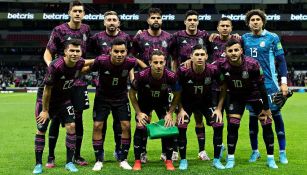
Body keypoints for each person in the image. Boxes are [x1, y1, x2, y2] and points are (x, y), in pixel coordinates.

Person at [32, 39, 93, 174]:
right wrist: (45, 110)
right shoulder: (55, 66)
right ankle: (38, 164)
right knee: (41, 129)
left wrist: (102, 59)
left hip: (64, 100)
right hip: (46, 100)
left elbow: (89, 62)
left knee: (71, 126)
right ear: (65, 52)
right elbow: (47, 90)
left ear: (81, 52)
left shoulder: (78, 63)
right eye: (71, 50)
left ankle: (69, 163)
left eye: (77, 51)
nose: (75, 53)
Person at [43, 0, 91, 167]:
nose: (78, 13)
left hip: (79, 82)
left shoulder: (86, 29)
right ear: (70, 12)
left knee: (78, 120)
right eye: (75, 11)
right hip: (61, 83)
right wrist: (52, 68)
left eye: (80, 11)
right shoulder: (59, 30)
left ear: (83, 14)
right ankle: (51, 156)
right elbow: (48, 53)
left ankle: (76, 155)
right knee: (55, 118)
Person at [216, 39, 277, 169]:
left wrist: (266, 107)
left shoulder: (253, 64)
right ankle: (231, 159)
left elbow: (262, 87)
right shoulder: (222, 64)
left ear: (241, 51)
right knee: (233, 125)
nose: (233, 53)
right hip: (236, 97)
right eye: (230, 51)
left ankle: (270, 159)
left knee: (266, 124)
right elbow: (206, 66)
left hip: (254, 96)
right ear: (225, 53)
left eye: (236, 50)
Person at [242, 9, 289, 164]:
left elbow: (281, 61)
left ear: (263, 21)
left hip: (270, 85)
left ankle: (282, 152)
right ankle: (255, 151)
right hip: (250, 86)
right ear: (248, 23)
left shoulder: (272, 37)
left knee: (275, 116)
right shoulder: (244, 39)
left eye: (258, 19)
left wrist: (283, 83)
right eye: (252, 20)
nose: (255, 21)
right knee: (253, 118)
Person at [90, 38, 145, 171]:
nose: (119, 54)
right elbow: (86, 68)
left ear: (126, 52)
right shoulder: (101, 61)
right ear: (110, 51)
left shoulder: (130, 61)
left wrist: (146, 73)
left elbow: (144, 66)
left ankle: (123, 159)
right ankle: (98, 160)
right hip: (102, 98)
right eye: (116, 51)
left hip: (121, 98)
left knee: (126, 125)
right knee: (98, 126)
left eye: (122, 51)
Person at [90, 10, 133, 161]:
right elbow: (89, 56)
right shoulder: (97, 38)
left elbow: (131, 60)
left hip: (120, 88)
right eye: (109, 20)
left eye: (114, 19)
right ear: (104, 22)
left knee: (119, 123)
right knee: (100, 123)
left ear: (119, 23)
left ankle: (118, 149)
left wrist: (132, 80)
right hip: (103, 86)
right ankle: (99, 152)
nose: (112, 22)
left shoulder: (126, 37)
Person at [131, 7, 173, 162]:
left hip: (163, 82)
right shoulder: (140, 37)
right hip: (145, 82)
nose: (156, 20)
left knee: (165, 120)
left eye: (158, 18)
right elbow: (132, 55)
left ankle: (165, 153)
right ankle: (142, 152)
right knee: (143, 120)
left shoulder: (169, 37)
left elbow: (174, 58)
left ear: (161, 20)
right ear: (148, 20)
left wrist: (173, 74)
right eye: (153, 18)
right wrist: (145, 67)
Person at [170, 10, 211, 161]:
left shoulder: (205, 36)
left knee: (199, 119)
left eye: (195, 19)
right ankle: (175, 151)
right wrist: (174, 75)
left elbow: (212, 54)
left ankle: (202, 151)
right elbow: (172, 56)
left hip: (200, 82)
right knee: (179, 119)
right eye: (190, 20)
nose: (192, 22)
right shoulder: (177, 36)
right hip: (183, 83)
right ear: (185, 22)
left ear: (198, 22)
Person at [129, 50, 180, 171]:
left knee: (168, 127)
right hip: (144, 103)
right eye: (155, 62)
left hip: (162, 103)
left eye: (161, 62)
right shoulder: (141, 76)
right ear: (150, 62)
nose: (158, 65)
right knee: (140, 127)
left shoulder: (171, 76)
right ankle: (138, 160)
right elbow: (131, 94)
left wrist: (170, 113)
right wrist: (138, 113)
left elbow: (177, 94)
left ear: (165, 63)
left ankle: (168, 160)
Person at [176, 45, 225, 170]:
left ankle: (216, 160)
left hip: (206, 102)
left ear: (206, 57)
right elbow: (176, 91)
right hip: (187, 103)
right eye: (196, 54)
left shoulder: (213, 70)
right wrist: (180, 109)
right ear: (191, 56)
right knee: (181, 125)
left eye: (202, 54)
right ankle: (183, 160)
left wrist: (218, 109)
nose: (199, 57)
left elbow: (224, 87)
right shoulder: (182, 70)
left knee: (218, 124)